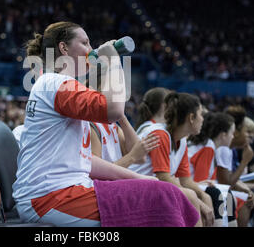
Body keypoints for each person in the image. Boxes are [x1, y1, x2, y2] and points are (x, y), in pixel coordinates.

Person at [12, 21, 200, 227]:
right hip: (49, 197)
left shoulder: (52, 84)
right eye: (84, 43)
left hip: (54, 193)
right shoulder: (55, 83)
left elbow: (86, 161)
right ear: (63, 48)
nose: (90, 49)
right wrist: (113, 61)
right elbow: (114, 110)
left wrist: (139, 178)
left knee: (162, 190)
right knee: (162, 198)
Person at [129, 88, 215, 227]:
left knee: (208, 196)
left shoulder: (182, 141)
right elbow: (164, 178)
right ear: (191, 118)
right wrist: (200, 203)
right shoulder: (160, 134)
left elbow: (185, 180)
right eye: (200, 114)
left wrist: (204, 196)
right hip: (133, 188)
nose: (203, 119)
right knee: (191, 197)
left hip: (152, 187)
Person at [187, 112, 239, 226]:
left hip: (191, 184)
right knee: (223, 196)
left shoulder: (210, 146)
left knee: (230, 197)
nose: (233, 136)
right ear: (223, 135)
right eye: (232, 133)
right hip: (188, 186)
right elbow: (201, 180)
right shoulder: (208, 147)